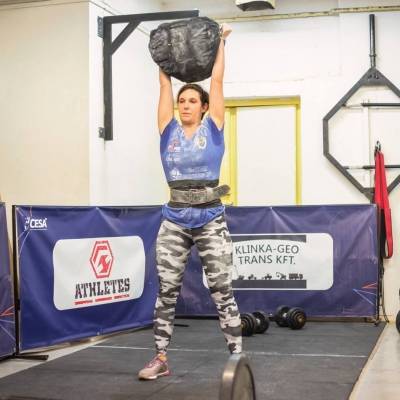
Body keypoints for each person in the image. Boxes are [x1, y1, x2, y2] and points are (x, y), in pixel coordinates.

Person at [138, 23, 242, 381]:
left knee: (222, 289)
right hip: (175, 220)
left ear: (204, 107)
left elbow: (218, 81)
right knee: (166, 290)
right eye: (182, 101)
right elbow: (164, 85)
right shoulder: (167, 128)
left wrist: (221, 43)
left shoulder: (214, 127)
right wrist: (162, 56)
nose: (185, 105)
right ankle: (160, 358)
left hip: (210, 218)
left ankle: (237, 356)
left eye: (192, 101)